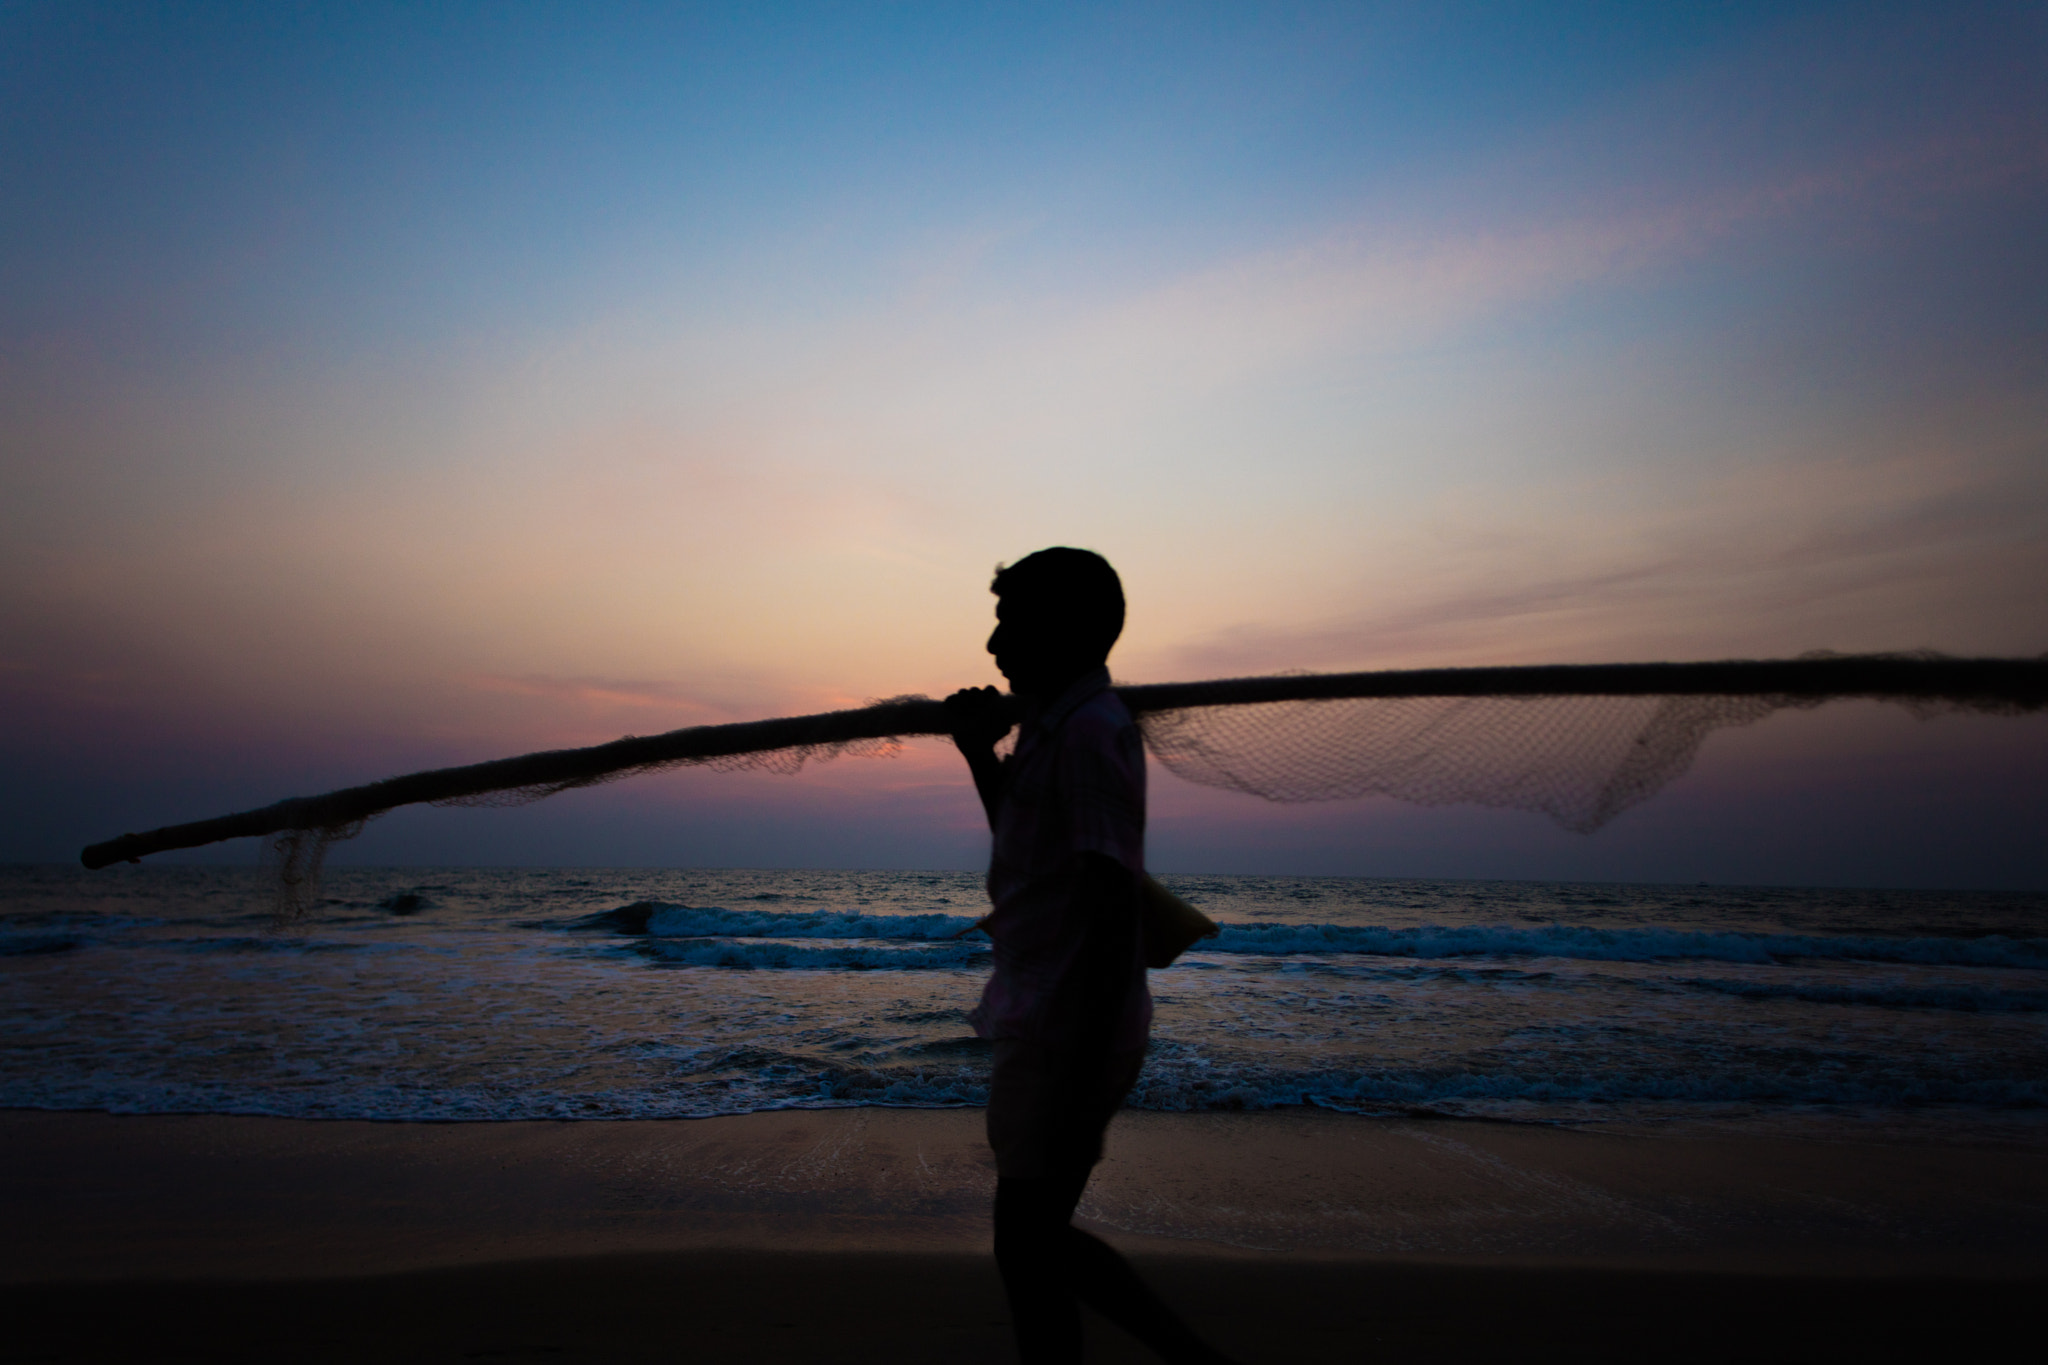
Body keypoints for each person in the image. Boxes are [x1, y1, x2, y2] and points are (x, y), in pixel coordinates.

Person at [946, 548, 1239, 1365]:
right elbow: (1029, 835)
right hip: (1044, 1009)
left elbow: (1111, 904)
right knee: (1030, 1241)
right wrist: (979, 753)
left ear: (1065, 630)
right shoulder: (1054, 726)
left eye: (1012, 622)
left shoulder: (1088, 733)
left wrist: (1082, 1060)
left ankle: (1193, 1358)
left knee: (1028, 1241)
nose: (994, 644)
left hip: (1067, 1023)